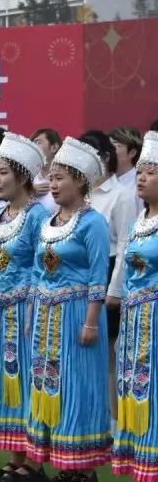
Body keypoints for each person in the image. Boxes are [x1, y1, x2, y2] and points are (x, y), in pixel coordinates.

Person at [27, 137, 111, 481]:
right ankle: (62, 462)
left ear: (80, 181)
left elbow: (98, 277)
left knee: (78, 383)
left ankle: (83, 467)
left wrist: (91, 323)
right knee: (48, 384)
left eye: (61, 178)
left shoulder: (93, 223)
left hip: (77, 315)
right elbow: (37, 272)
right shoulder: (48, 221)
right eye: (52, 177)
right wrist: (32, 313)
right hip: (45, 316)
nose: (54, 184)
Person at [0, 133, 49, 480]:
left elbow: (42, 265)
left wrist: (31, 304)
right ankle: (16, 456)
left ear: (22, 176)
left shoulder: (38, 216)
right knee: (5, 379)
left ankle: (34, 461)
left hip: (25, 312)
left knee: (25, 380)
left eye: (4, 172)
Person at [80, 130, 138, 437]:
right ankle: (91, 419)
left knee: (111, 354)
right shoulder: (80, 194)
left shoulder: (121, 195)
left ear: (104, 158)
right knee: (85, 353)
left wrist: (113, 290)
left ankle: (114, 427)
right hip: (80, 276)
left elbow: (126, 244)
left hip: (110, 271)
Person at [113, 131, 158, 481]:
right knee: (136, 387)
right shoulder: (138, 221)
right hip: (134, 320)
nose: (141, 178)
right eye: (139, 171)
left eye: (150, 172)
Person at [111, 127, 144, 215]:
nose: (109, 151)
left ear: (132, 153)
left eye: (115, 146)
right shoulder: (102, 180)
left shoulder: (140, 183)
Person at [31, 129, 61, 213]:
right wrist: (29, 192)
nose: (33, 147)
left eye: (38, 142)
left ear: (54, 147)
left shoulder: (67, 178)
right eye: (32, 144)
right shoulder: (28, 179)